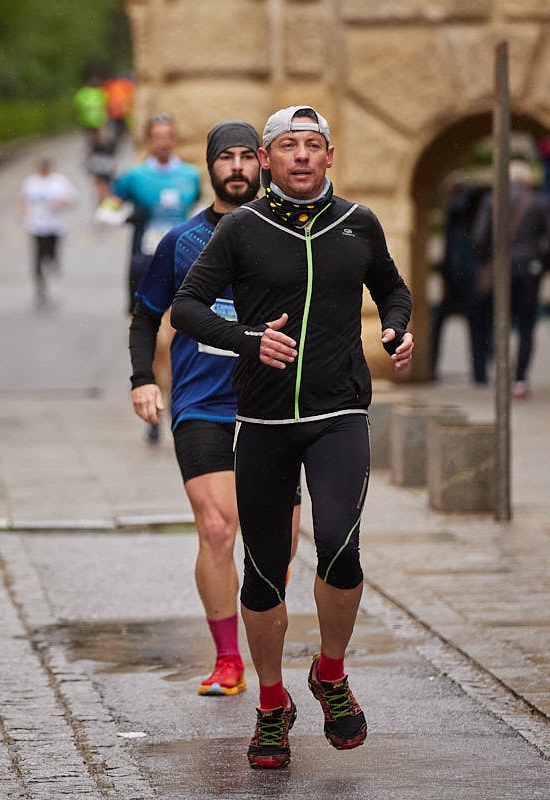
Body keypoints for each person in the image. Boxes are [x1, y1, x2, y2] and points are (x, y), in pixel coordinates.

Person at [171, 105, 414, 769]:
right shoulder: (241, 229)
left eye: (313, 145)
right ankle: (272, 703)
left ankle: (330, 673)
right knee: (263, 571)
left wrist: (397, 328)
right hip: (264, 424)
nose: (301, 155)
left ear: (330, 156)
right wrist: (246, 339)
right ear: (267, 159)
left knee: (340, 548)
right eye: (288, 146)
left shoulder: (357, 223)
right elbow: (186, 308)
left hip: (340, 416)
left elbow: (394, 291)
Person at [130, 120, 301, 700]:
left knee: (281, 541)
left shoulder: (289, 235)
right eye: (224, 158)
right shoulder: (181, 242)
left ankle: (262, 632)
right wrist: (142, 380)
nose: (236, 167)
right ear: (209, 167)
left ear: (261, 163)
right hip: (202, 403)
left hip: (273, 405)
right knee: (218, 527)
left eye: (245, 157)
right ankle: (228, 659)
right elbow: (146, 316)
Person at [99, 113, 201, 443]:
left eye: (167, 135)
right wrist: (129, 216)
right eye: (156, 136)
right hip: (144, 269)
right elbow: (105, 212)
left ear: (174, 138)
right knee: (153, 344)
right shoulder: (134, 178)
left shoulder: (190, 176)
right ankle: (155, 408)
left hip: (181, 270)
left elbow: (196, 213)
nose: (162, 142)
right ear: (148, 140)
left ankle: (174, 404)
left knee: (176, 342)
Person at [472, 158, 550, 398]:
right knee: (526, 326)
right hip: (529, 269)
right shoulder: (540, 202)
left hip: (500, 269)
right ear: (529, 181)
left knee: (498, 320)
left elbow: (479, 238)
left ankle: (500, 372)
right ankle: (520, 379)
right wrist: (544, 262)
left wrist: (488, 259)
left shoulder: (491, 202)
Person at [431, 180, 492, 384]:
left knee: (438, 321)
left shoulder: (454, 210)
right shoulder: (479, 206)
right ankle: (480, 373)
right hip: (472, 273)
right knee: (477, 324)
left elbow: (447, 248)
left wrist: (444, 277)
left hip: (455, 273)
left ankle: (430, 365)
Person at [19, 157, 78, 308]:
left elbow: (73, 199)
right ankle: (40, 285)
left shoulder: (59, 181)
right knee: (38, 256)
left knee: (51, 254)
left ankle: (52, 274)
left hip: (55, 226)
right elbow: (24, 199)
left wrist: (61, 205)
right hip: (36, 226)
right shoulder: (31, 182)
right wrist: (23, 213)